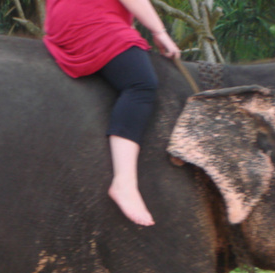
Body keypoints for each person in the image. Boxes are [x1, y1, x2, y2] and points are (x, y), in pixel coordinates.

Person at [43, 0, 181, 226]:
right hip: (90, 21)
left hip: (63, 23)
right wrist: (159, 31)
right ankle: (124, 183)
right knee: (141, 83)